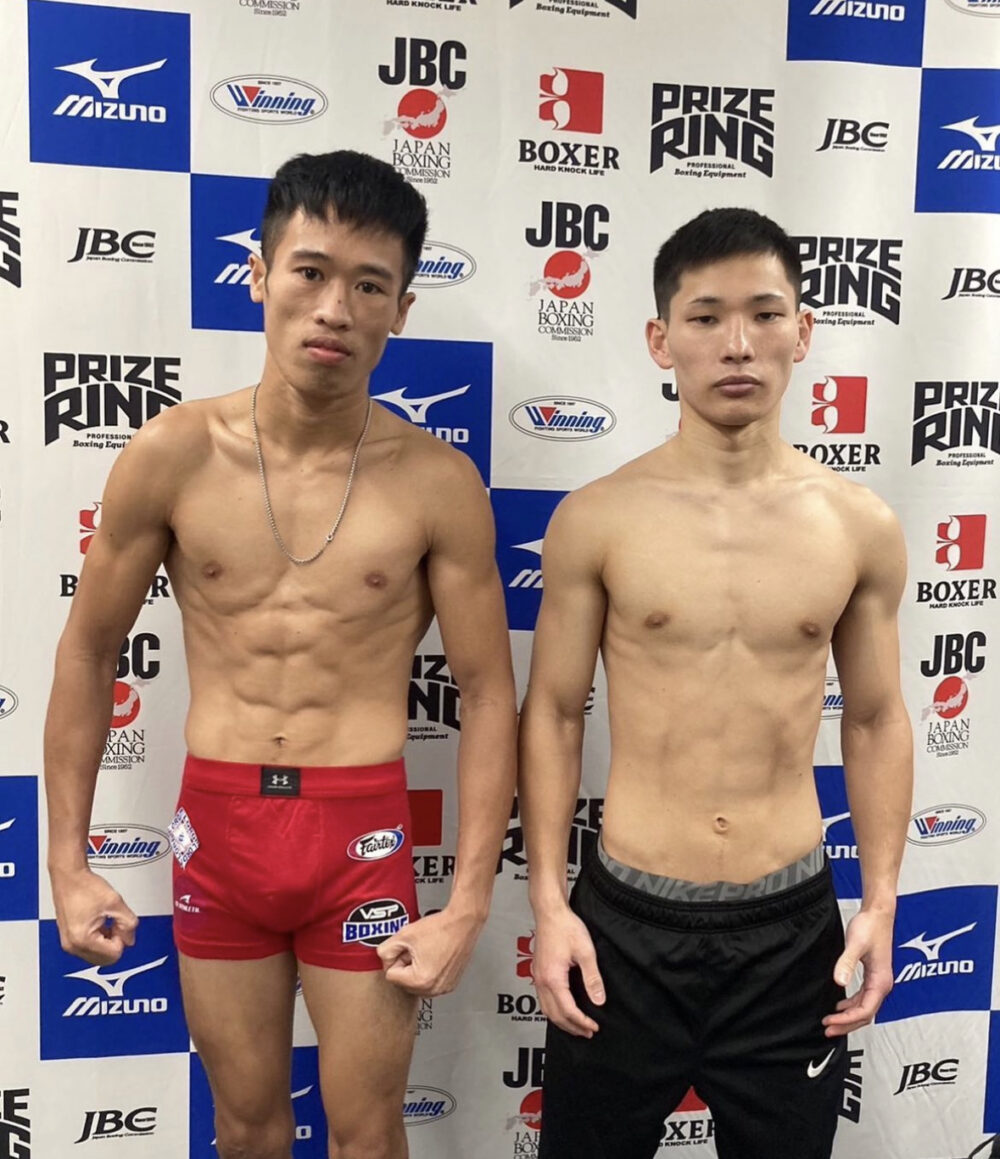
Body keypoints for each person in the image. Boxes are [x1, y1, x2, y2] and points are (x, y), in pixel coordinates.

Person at [44, 150, 517, 1159]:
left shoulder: (437, 483)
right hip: (220, 831)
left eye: (370, 285)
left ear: (402, 310)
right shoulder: (172, 454)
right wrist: (67, 862)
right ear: (258, 276)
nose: (334, 308)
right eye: (309, 271)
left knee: (367, 1134)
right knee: (248, 1129)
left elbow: (487, 694)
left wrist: (470, 902)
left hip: (361, 842)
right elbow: (88, 654)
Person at [518, 207, 912, 1159]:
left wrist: (881, 899)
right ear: (662, 340)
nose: (738, 344)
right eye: (705, 317)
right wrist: (548, 902)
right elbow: (555, 713)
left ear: (802, 331)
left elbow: (873, 717)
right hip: (626, 926)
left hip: (790, 929)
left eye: (765, 314)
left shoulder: (857, 523)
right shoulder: (598, 517)